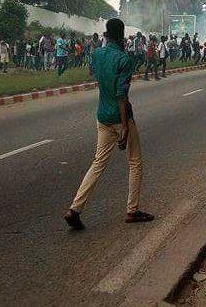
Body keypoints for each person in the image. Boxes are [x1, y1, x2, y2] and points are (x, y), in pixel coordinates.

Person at [64, 18, 154, 230]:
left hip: (102, 116)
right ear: (122, 37)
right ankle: (132, 210)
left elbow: (96, 76)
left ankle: (75, 208)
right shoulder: (124, 59)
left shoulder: (97, 55)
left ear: (106, 34)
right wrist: (124, 125)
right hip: (120, 117)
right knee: (135, 161)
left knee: (98, 163)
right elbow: (121, 95)